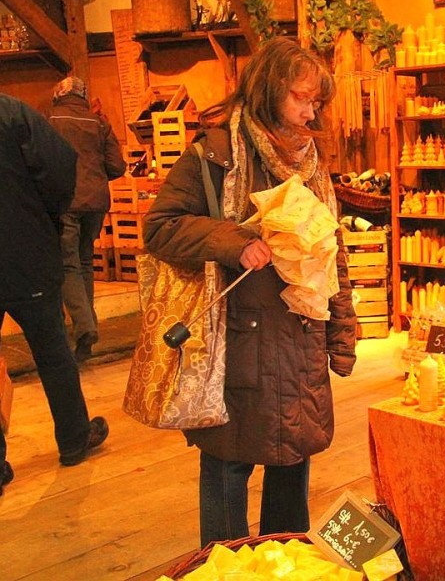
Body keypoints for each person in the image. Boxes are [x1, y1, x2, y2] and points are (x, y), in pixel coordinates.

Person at [144, 37, 357, 546]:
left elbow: (332, 249)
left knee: (292, 451)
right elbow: (160, 227)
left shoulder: (310, 160)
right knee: (229, 455)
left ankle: (288, 559)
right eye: (302, 98)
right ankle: (223, 564)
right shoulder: (215, 155)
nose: (310, 113)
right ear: (268, 90)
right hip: (237, 336)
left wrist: (343, 329)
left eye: (316, 102)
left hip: (300, 331)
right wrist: (235, 242)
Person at [0, 93, 109, 486]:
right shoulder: (12, 113)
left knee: (52, 350)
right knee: (52, 351)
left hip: (22, 245)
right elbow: (61, 165)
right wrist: (47, 213)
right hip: (22, 249)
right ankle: (74, 439)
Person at [47, 76, 127, 363]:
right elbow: (117, 166)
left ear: (58, 95)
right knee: (83, 263)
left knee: (67, 264)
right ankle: (87, 333)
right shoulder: (99, 123)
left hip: (65, 200)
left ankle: (85, 327)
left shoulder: (49, 120)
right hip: (96, 202)